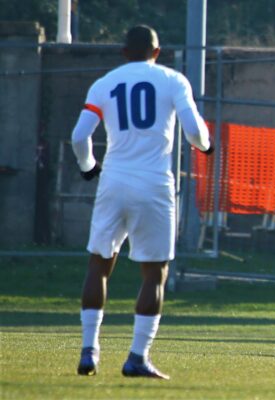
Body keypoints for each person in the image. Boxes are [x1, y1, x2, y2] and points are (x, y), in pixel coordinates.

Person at [71, 25, 213, 379]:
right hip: (153, 184)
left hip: (113, 181)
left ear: (123, 52)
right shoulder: (173, 80)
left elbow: (79, 136)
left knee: (99, 263)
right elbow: (194, 131)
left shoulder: (104, 83)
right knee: (154, 272)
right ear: (157, 52)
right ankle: (137, 356)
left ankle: (89, 349)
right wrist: (206, 146)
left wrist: (89, 167)